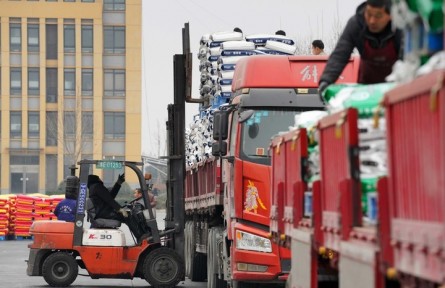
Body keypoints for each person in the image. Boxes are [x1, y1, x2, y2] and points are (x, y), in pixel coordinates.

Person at [318, 0, 403, 95]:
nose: (372, 21)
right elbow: (339, 55)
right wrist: (326, 80)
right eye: (369, 14)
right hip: (366, 86)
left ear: (391, 15)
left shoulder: (401, 26)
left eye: (378, 16)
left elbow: (409, 60)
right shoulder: (356, 24)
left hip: (396, 86)